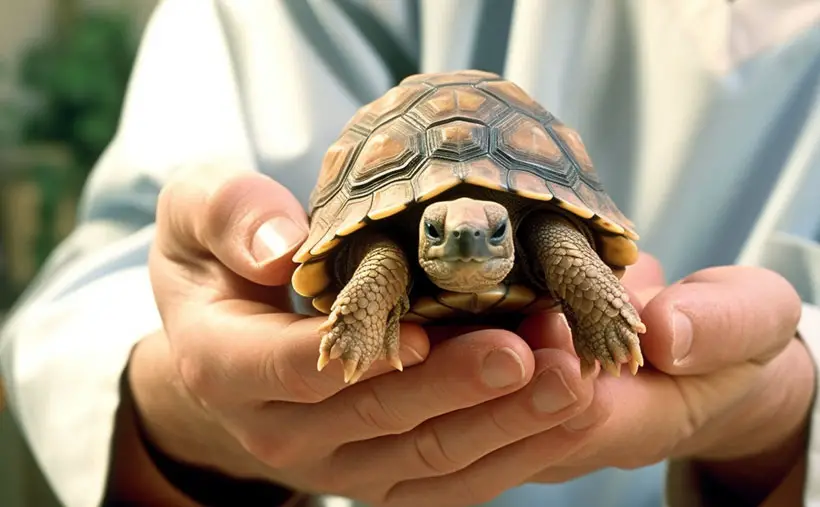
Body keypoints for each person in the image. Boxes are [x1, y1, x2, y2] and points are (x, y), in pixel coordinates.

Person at [2, 1, 819, 506]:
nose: (465, 239)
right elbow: (100, 300)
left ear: (511, 230)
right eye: (440, 233)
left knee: (562, 247)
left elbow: (566, 241)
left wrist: (781, 418)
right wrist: (193, 410)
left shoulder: (548, 236)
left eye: (489, 231)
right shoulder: (395, 252)